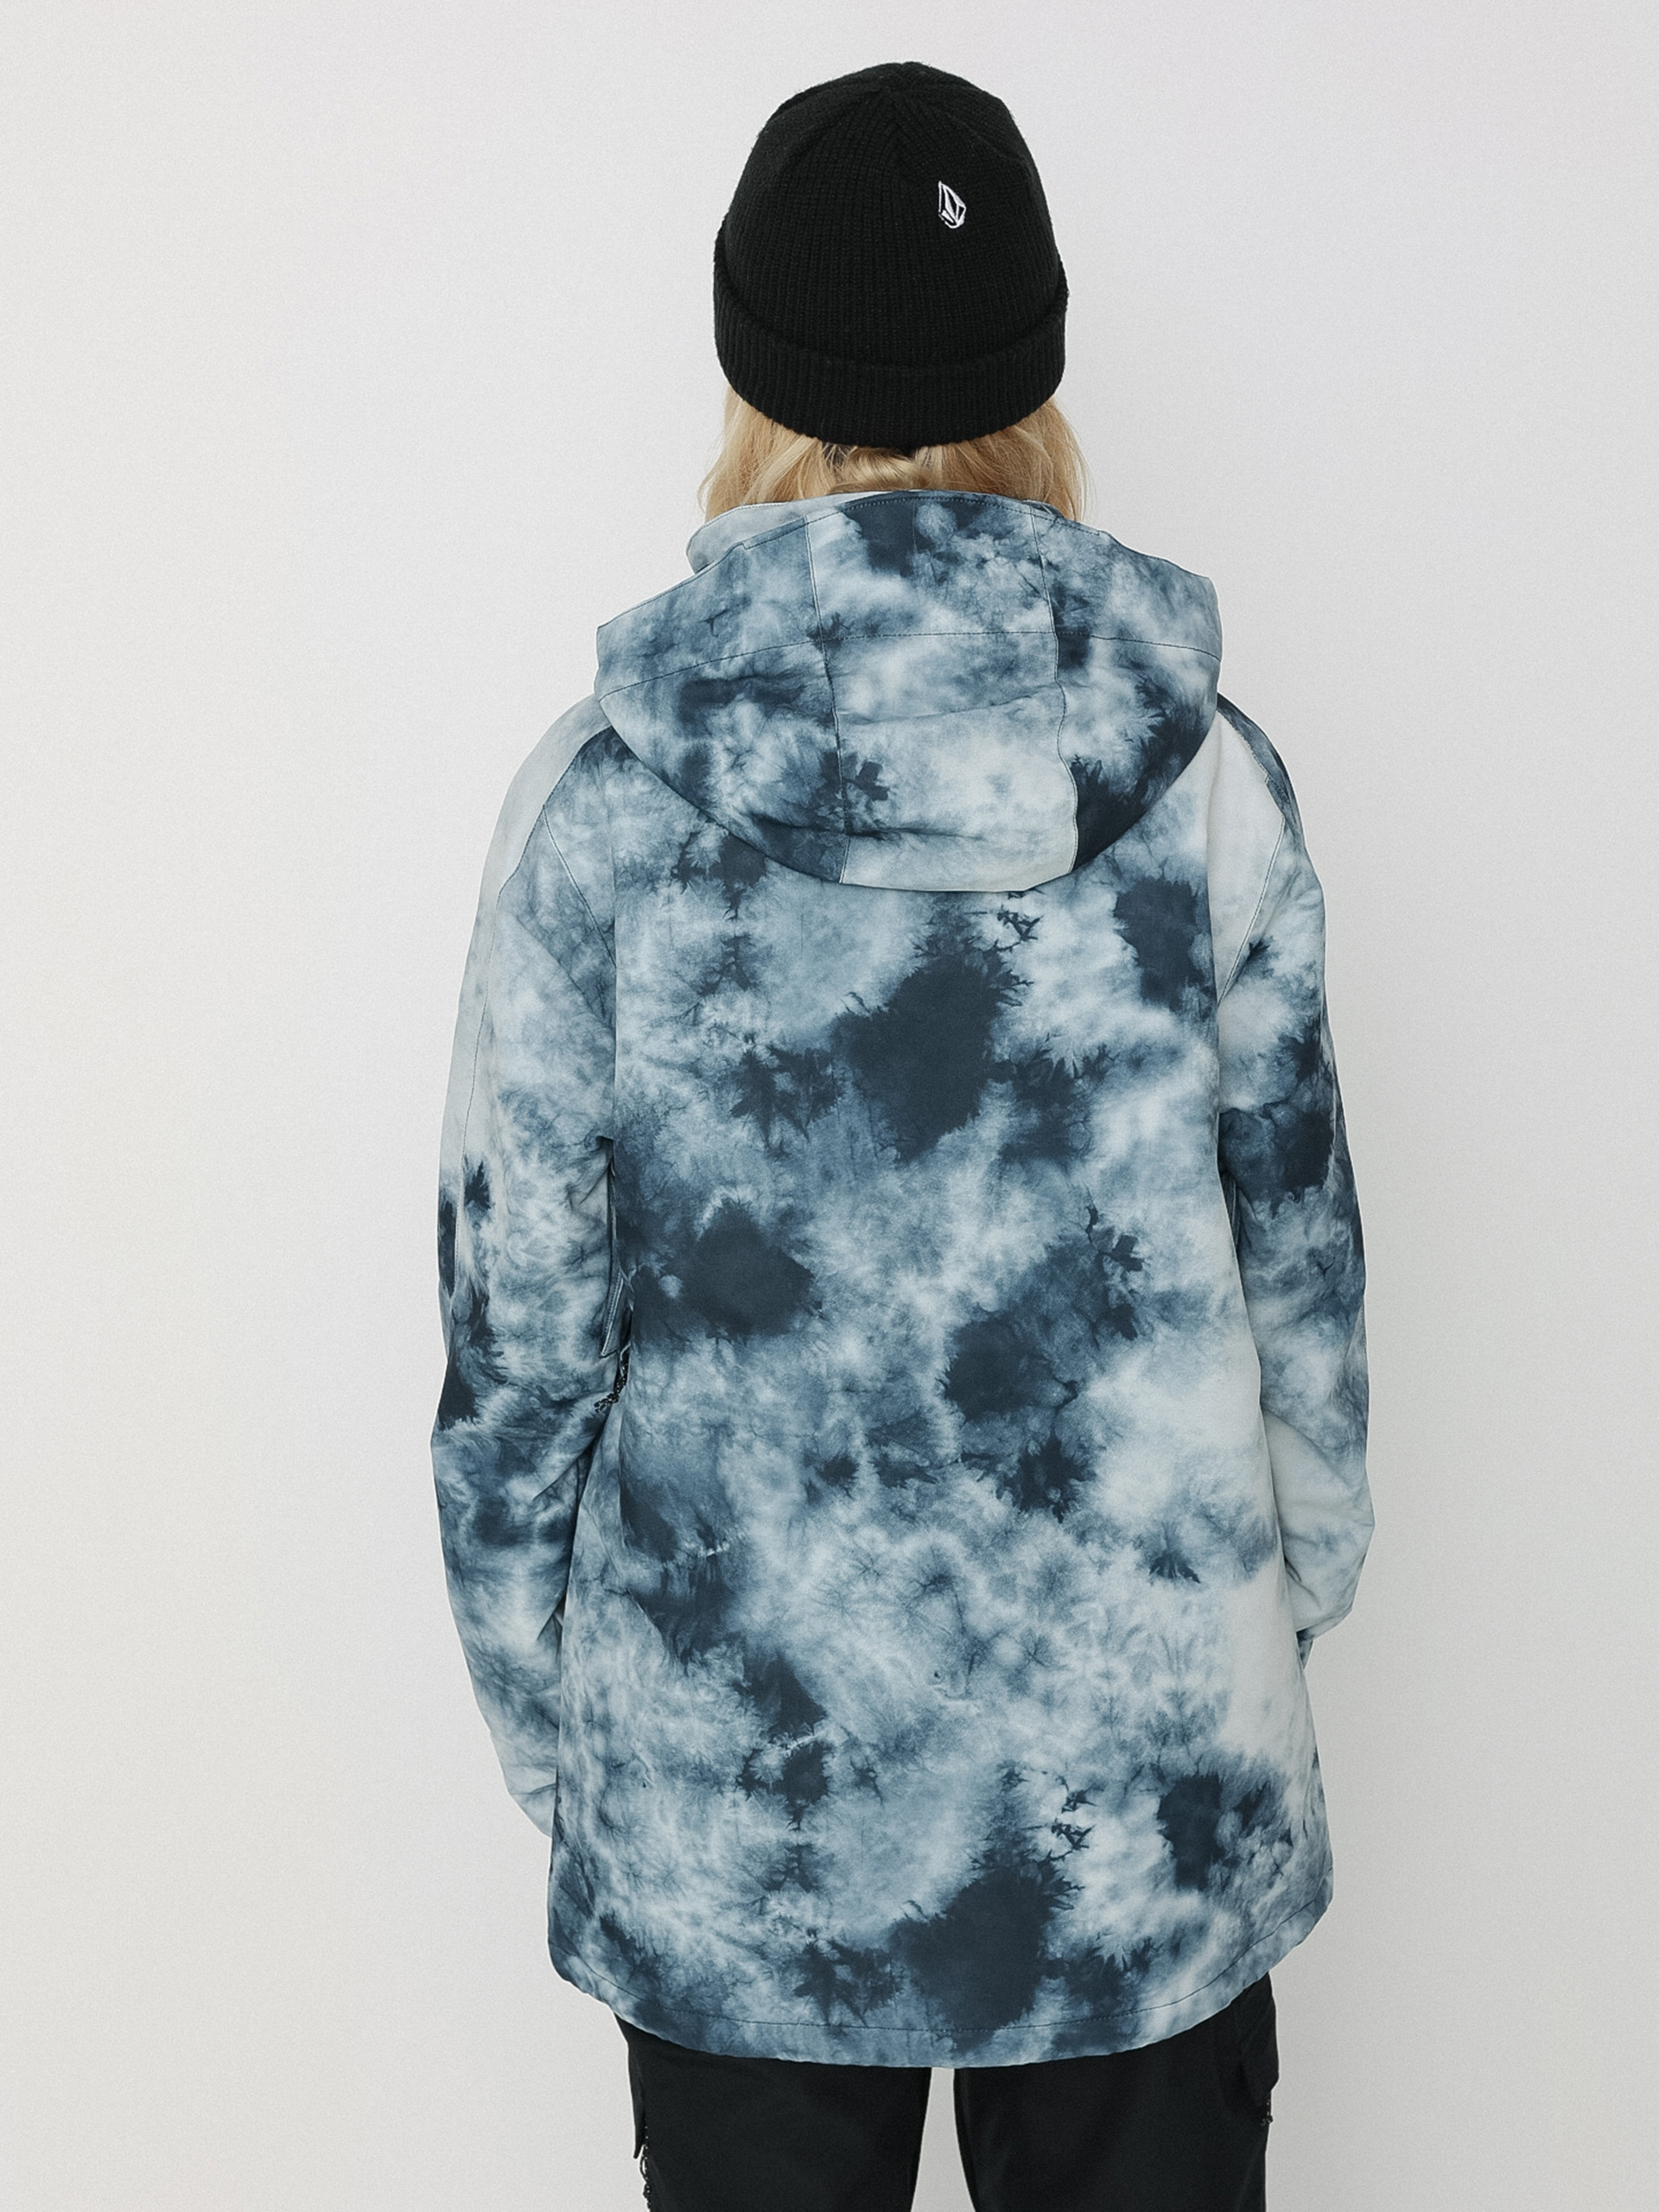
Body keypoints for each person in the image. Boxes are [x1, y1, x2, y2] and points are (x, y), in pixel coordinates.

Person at [430, 60, 1372, 2212]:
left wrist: (570, 1735)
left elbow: (518, 1354)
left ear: (751, 371)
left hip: (735, 1800)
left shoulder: (602, 808)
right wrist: (1251, 1632)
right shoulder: (1208, 783)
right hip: (1145, 1798)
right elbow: (1306, 1292)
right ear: (1032, 372)